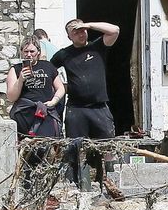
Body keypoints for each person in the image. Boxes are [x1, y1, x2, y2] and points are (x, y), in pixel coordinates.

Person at [51, 17, 120, 183]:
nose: (80, 33)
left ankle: (109, 183)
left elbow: (115, 30)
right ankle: (76, 185)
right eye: (75, 31)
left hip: (99, 108)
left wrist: (88, 24)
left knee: (107, 147)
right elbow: (49, 72)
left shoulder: (97, 46)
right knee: (75, 149)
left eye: (82, 30)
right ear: (69, 37)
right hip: (77, 110)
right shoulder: (64, 54)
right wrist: (62, 88)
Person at [5, 37, 65, 139]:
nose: (29, 55)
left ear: (38, 52)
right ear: (21, 52)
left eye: (32, 51)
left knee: (47, 145)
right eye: (26, 51)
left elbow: (61, 88)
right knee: (25, 148)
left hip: (45, 111)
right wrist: (20, 79)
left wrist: (54, 101)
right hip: (24, 113)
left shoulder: (48, 66)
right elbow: (11, 97)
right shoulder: (15, 69)